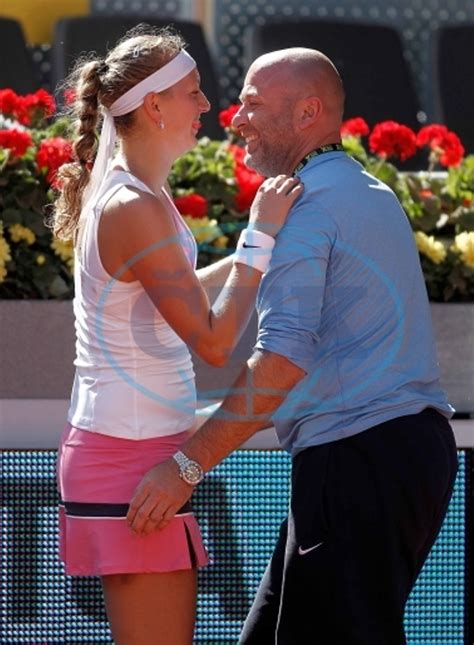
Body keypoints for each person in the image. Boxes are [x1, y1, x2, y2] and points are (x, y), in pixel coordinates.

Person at [127, 47, 459, 644]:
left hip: (360, 459)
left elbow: (280, 365)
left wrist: (184, 466)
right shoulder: (359, 191)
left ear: (308, 111)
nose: (235, 116)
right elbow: (261, 320)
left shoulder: (306, 208)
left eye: (252, 102)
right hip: (388, 455)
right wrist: (131, 287)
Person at [52, 26, 302, 645]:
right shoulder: (132, 205)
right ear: (155, 106)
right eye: (193, 92)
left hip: (137, 451)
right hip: (129, 460)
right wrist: (261, 238)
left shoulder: (140, 195)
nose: (207, 106)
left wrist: (261, 242)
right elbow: (215, 342)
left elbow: (183, 289)